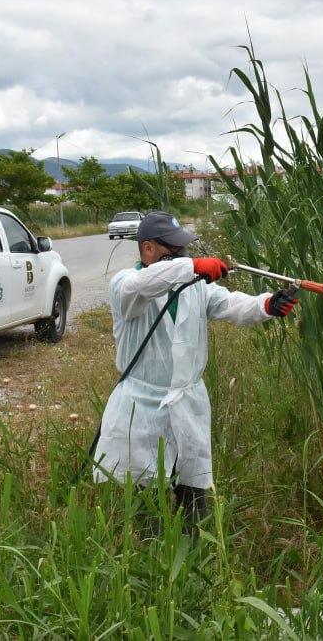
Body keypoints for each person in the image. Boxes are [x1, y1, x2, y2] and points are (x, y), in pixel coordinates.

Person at [91, 210, 298, 524]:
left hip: (187, 405)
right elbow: (145, 284)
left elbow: (231, 304)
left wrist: (267, 304)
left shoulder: (194, 287)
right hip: (142, 408)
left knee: (193, 498)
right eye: (172, 249)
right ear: (148, 249)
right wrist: (191, 266)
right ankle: (152, 558)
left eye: (184, 249)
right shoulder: (126, 286)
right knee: (148, 504)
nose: (182, 254)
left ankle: (192, 553)